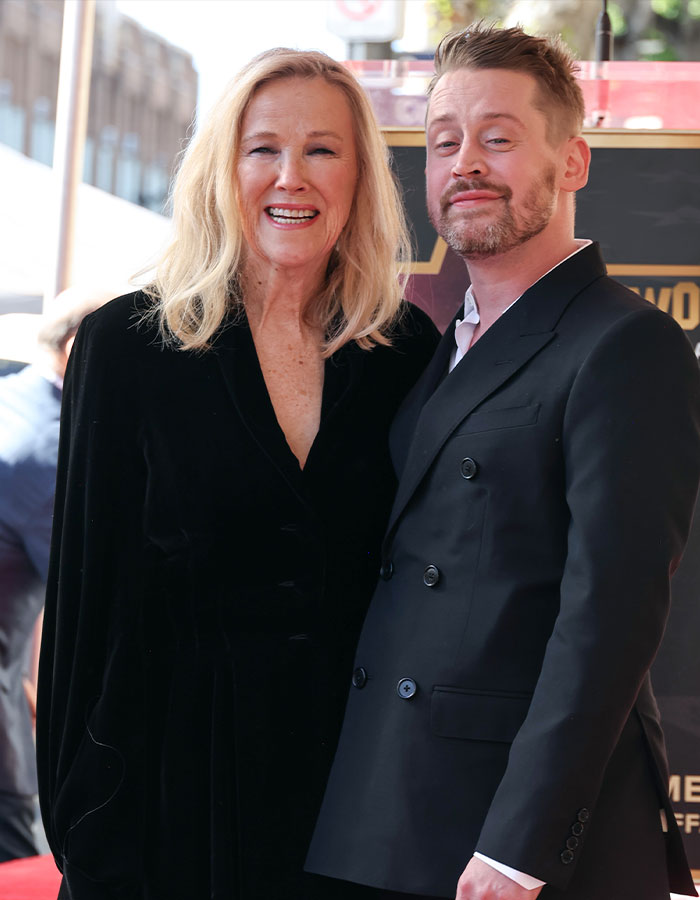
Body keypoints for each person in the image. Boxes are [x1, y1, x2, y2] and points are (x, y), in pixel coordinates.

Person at [306, 24, 700, 900]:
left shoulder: (628, 345)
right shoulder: (436, 347)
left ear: (574, 164)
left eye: (498, 137)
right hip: (391, 807)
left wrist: (520, 847)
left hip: (509, 842)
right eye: (445, 141)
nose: (465, 163)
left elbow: (610, 618)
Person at [36, 49, 439, 900]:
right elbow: (85, 601)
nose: (291, 176)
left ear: (361, 175)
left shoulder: (405, 354)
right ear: (223, 168)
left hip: (352, 811)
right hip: (160, 808)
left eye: (322, 150)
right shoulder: (128, 346)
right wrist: (82, 822)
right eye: (263, 149)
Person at [0, 290, 107, 862]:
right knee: (16, 847)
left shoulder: (12, 397)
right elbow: (79, 601)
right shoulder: (49, 444)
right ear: (76, 346)